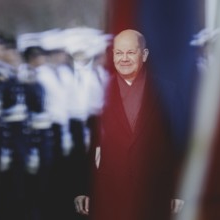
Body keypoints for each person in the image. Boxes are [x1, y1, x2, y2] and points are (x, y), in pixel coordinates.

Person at [74, 29, 181, 220]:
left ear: (145, 54)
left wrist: (178, 190)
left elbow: (177, 144)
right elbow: (89, 145)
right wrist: (84, 188)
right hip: (111, 191)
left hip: (154, 192)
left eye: (131, 52)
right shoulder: (99, 93)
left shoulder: (167, 92)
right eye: (119, 53)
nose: (124, 59)